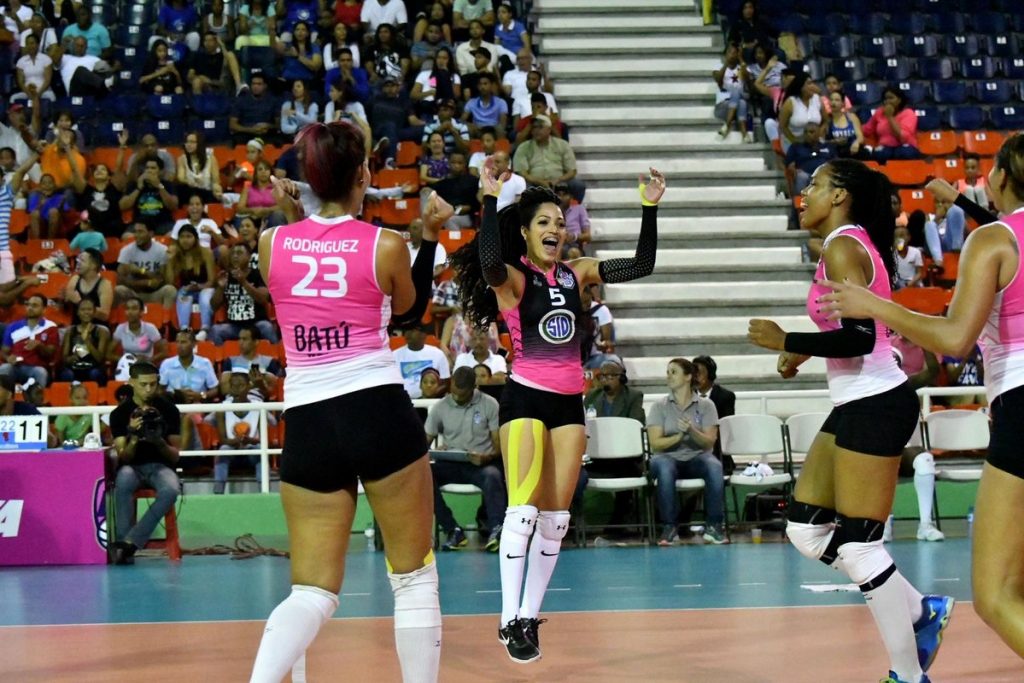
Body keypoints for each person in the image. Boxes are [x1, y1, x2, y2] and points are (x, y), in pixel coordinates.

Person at [247, 120, 451, 683]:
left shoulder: (271, 243)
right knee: (413, 577)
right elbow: (409, 314)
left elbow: (302, 267)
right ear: (364, 174)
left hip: (309, 418)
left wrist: (293, 213)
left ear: (307, 178)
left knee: (311, 590)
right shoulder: (386, 244)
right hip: (377, 409)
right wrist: (429, 233)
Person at [449, 157, 664, 662]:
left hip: (569, 403)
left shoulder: (576, 272)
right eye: (543, 222)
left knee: (555, 521)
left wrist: (648, 208)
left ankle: (528, 617)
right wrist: (486, 198)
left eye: (559, 223)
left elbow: (640, 265)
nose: (554, 229)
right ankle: (506, 619)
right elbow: (486, 263)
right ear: (523, 232)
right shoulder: (512, 278)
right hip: (525, 397)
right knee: (521, 511)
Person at [749, 158, 953, 683]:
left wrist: (788, 341)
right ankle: (920, 610)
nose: (804, 193)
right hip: (857, 402)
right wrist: (806, 353)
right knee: (805, 529)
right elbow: (852, 333)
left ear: (840, 195)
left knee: (861, 545)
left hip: (877, 400)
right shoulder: (844, 244)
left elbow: (862, 339)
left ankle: (908, 674)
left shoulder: (842, 244)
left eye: (814, 185)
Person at [646, 358, 726, 545]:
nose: (669, 376)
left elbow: (709, 442)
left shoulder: (706, 406)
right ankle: (670, 527)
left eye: (673, 372)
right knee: (664, 467)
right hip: (667, 457)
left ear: (688, 377)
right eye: (667, 372)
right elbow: (655, 443)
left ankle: (714, 526)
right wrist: (678, 437)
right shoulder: (660, 406)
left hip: (697, 456)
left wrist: (691, 431)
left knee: (714, 466)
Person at [426, 366, 505, 552]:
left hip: (480, 464)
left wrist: (487, 457)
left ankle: (497, 530)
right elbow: (423, 444)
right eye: (454, 392)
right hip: (450, 463)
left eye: (462, 395)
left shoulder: (490, 404)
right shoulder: (440, 407)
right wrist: (436, 451)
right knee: (423, 476)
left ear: (473, 387)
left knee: (493, 475)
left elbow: (499, 446)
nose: (457, 398)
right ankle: (453, 530)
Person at [109, 361, 182, 565]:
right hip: (132, 467)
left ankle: (129, 544)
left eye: (153, 384)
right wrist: (133, 435)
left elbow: (175, 455)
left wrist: (158, 441)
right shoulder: (119, 414)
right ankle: (125, 544)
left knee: (171, 490)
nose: (149, 389)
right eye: (143, 384)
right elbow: (124, 456)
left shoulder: (169, 410)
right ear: (132, 382)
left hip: (161, 466)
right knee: (122, 482)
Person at [167, 224, 217, 338]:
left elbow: (212, 281)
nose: (185, 240)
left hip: (205, 287)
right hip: (187, 289)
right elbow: (170, 282)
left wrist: (198, 287)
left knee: (205, 296)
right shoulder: (177, 255)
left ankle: (205, 329)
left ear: (195, 238)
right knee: (183, 295)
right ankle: (184, 329)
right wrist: (170, 261)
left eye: (189, 236)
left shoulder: (206, 253)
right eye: (182, 237)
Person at [0, 294, 59, 387]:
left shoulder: (50, 327)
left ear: (44, 309)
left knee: (41, 372)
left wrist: (39, 346)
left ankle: (38, 401)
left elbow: (51, 353)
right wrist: (8, 358)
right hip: (15, 367)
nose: (30, 308)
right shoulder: (13, 327)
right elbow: (4, 351)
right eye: (28, 305)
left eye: (34, 305)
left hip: (36, 368)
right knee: (4, 368)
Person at [58, 298, 110, 384]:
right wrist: (71, 358)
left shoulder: (101, 331)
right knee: (66, 374)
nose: (86, 312)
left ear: (94, 312)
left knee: (95, 374)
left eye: (89, 309)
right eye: (83, 309)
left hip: (93, 367)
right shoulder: (70, 331)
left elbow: (100, 358)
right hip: (74, 367)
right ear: (78, 312)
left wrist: (87, 342)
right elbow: (64, 357)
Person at [862, 87, 920, 162]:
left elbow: (903, 138)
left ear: (899, 100)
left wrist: (890, 117)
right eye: (885, 99)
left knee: (904, 153)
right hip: (885, 146)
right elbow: (867, 130)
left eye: (891, 98)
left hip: (905, 145)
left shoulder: (908, 113)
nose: (887, 101)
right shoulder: (879, 112)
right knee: (880, 154)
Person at [393, 326, 450, 398]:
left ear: (423, 334)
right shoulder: (394, 355)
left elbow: (445, 383)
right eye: (406, 330)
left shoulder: (437, 354)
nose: (407, 333)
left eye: (412, 330)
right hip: (403, 403)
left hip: (429, 403)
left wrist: (429, 395)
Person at [63, 249, 114, 324]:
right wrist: (63, 299)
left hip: (97, 329)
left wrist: (79, 302)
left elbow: (104, 315)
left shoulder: (104, 285)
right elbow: (67, 302)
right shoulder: (75, 279)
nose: (78, 263)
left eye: (82, 261)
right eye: (78, 260)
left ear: (93, 265)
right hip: (77, 327)